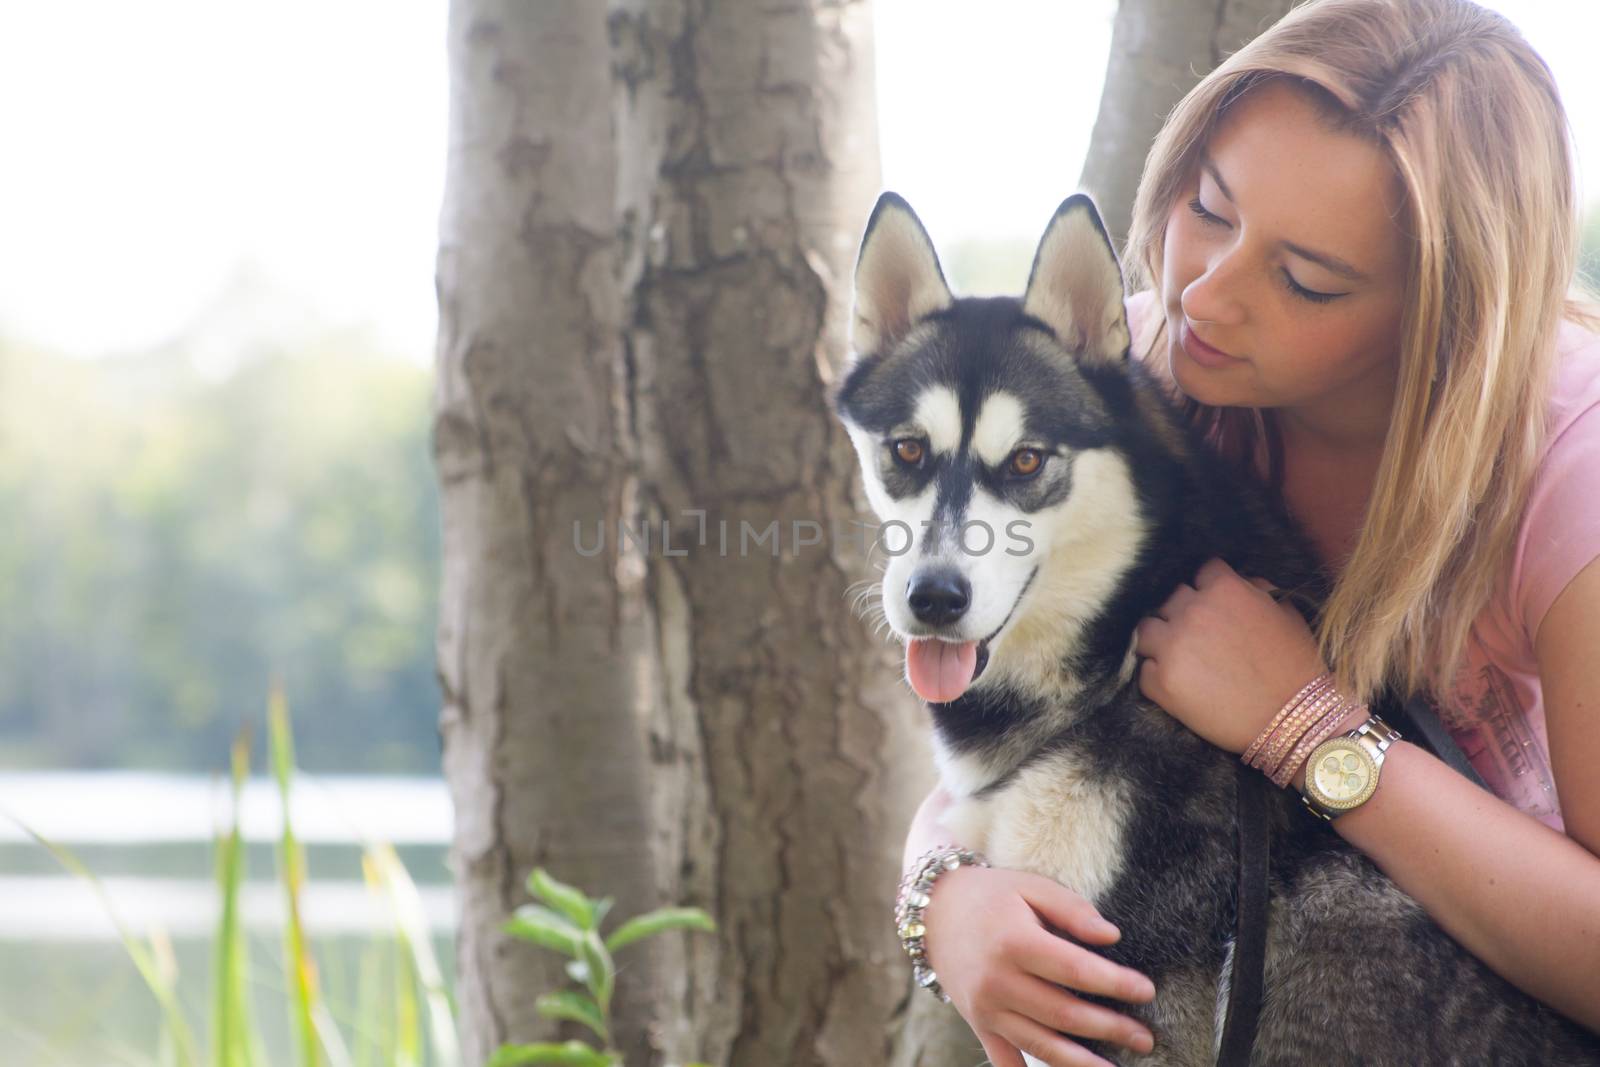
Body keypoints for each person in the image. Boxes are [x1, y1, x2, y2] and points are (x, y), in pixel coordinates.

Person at [898, 1, 1600, 1063]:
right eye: (1209, 209)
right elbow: (1001, 713)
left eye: (1303, 279)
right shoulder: (1127, 383)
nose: (1201, 297)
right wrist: (940, 901)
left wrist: (1306, 723)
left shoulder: (1573, 468)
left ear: (1441, 312)